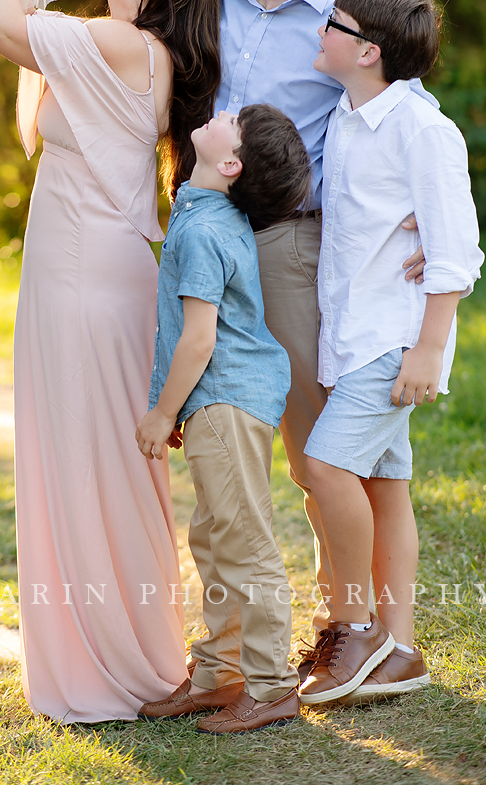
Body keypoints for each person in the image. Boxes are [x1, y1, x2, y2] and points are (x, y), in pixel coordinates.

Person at [0, 0, 222, 723]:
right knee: (98, 459)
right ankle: (123, 643)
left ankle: (107, 659)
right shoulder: (124, 47)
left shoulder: (119, 42)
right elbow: (20, 38)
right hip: (85, 270)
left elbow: (1, 29)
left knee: (85, 458)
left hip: (83, 277)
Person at [216, 0, 432, 659]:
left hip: (290, 250)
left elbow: (408, 117)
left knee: (318, 458)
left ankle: (346, 627)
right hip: (203, 239)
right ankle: (285, 631)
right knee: (222, 446)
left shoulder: (346, 21)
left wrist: (419, 218)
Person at [298, 0, 483, 705]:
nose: (321, 30)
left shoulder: (424, 131)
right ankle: (401, 650)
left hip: (393, 339)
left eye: (332, 24)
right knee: (384, 483)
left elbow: (456, 251)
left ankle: (358, 627)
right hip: (351, 334)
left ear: (368, 51)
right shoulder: (349, 116)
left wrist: (429, 349)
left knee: (323, 468)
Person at [135, 105, 312, 733]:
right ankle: (220, 672)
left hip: (225, 395)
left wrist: (161, 412)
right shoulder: (203, 212)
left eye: (232, 120)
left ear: (229, 163)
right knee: (215, 537)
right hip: (221, 398)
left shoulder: (204, 230)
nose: (222, 111)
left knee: (245, 542)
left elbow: (198, 340)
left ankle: (270, 685)